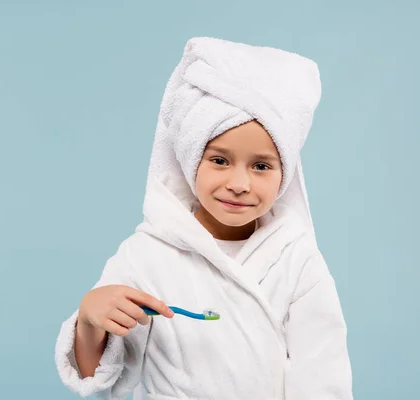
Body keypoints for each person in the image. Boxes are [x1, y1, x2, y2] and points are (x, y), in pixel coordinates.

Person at [55, 37, 353, 399]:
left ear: (284, 174)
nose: (240, 184)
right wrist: (88, 322)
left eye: (261, 166)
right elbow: (100, 376)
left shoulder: (297, 261)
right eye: (219, 160)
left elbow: (323, 375)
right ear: (190, 158)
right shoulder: (146, 255)